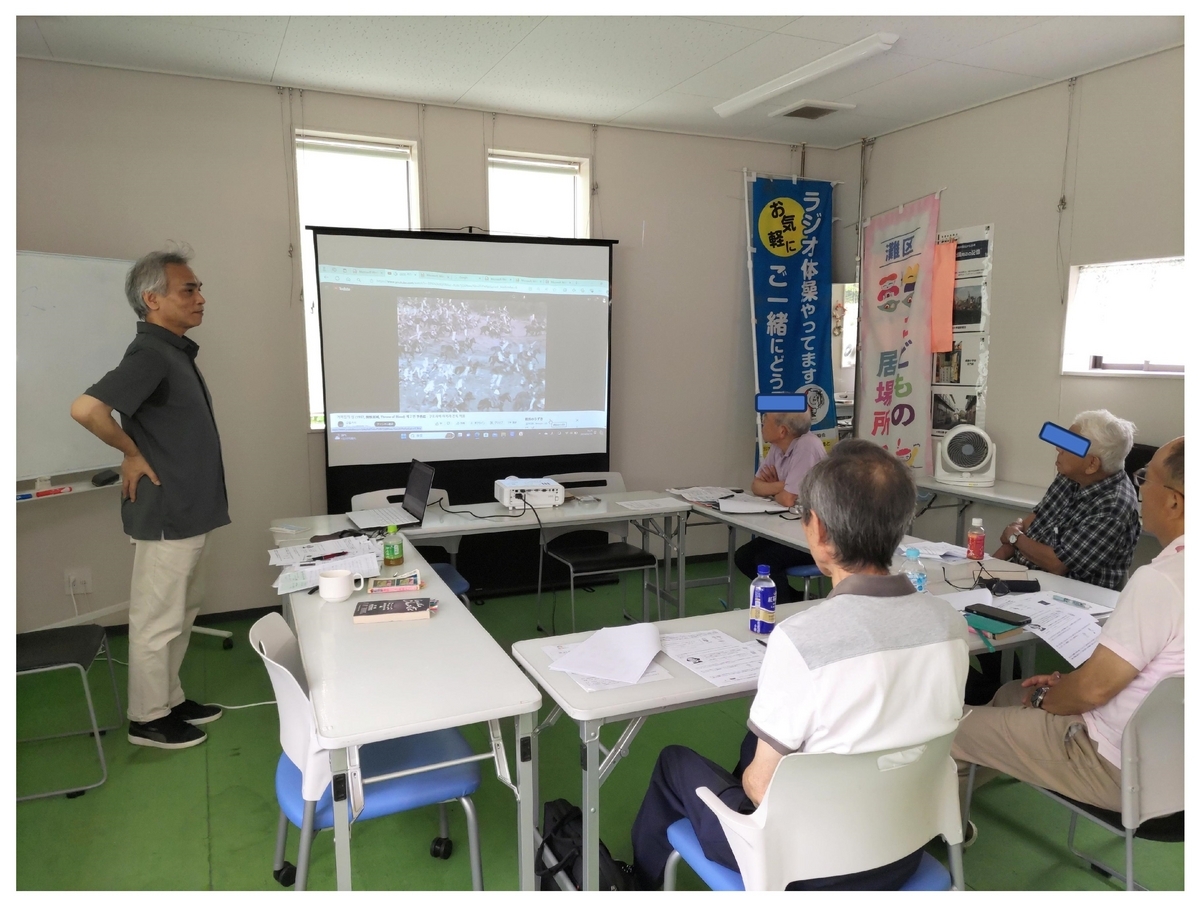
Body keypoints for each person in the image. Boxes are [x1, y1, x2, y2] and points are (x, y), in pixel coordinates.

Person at [630, 440, 970, 889]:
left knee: (675, 762)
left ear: (820, 532)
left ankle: (636, 884)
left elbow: (760, 788)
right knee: (758, 742)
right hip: (903, 848)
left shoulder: (803, 640)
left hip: (801, 865)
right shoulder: (950, 624)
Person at [952, 437, 1183, 816]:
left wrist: (1047, 698)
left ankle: (938, 830)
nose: (1139, 487)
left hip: (1120, 763)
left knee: (951, 729)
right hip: (1175, 757)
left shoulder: (1162, 580)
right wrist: (1068, 687)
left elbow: (1093, 690)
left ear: (1174, 501)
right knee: (1010, 693)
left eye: (1145, 477)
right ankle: (985, 767)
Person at [70, 248, 230, 750]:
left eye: (199, 289)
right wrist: (131, 453)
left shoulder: (174, 352)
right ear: (152, 299)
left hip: (191, 510)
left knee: (181, 612)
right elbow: (86, 409)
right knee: (156, 619)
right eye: (189, 290)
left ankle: (169, 700)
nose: (200, 298)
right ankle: (147, 718)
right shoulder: (151, 354)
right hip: (167, 511)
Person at [993, 409, 1140, 590]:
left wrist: (1014, 537)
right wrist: (990, 565)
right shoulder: (1071, 475)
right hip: (1028, 577)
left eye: (1070, 445)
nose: (1058, 448)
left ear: (1092, 464)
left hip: (1069, 595)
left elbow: (1056, 563)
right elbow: (1034, 522)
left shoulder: (1113, 506)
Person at [733, 408, 827, 602]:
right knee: (743, 556)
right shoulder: (778, 446)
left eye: (766, 418)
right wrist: (784, 485)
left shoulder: (807, 446)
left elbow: (787, 499)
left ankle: (782, 611)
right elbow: (756, 486)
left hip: (817, 536)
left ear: (782, 430)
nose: (762, 422)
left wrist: (778, 488)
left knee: (766, 560)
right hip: (792, 528)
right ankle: (794, 600)